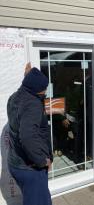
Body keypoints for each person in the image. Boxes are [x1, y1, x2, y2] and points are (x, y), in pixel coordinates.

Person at [7, 64, 53, 205]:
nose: (45, 91)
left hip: (16, 163)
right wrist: (42, 160)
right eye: (44, 89)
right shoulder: (33, 104)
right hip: (30, 168)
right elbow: (27, 137)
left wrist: (28, 76)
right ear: (37, 90)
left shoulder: (14, 97)